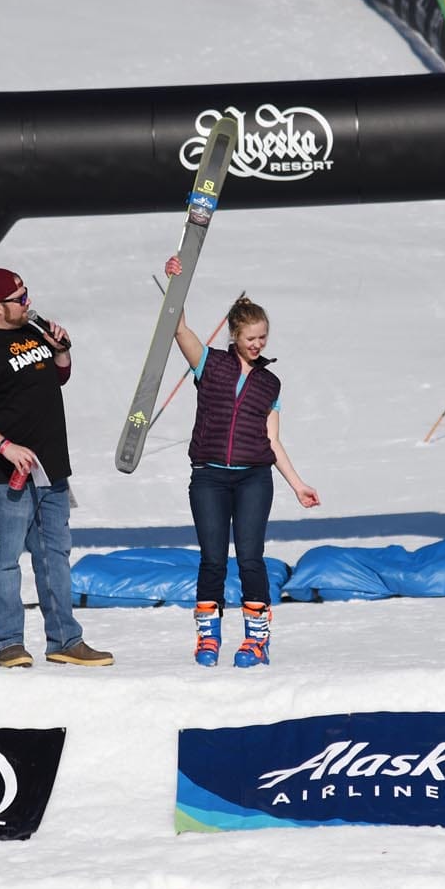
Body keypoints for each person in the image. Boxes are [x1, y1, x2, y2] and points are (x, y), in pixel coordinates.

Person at [0, 267, 112, 669]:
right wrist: (5, 447)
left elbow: (58, 378)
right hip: (6, 476)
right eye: (20, 298)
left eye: (26, 294)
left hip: (51, 467)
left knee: (54, 555)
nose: (28, 302)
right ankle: (9, 643)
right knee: (6, 559)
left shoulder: (31, 331)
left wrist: (61, 351)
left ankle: (65, 640)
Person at [165, 255, 320, 668]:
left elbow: (273, 440)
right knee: (212, 559)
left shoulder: (271, 382)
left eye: (263, 338)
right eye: (251, 338)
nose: (258, 344)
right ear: (234, 334)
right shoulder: (209, 364)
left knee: (251, 558)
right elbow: (177, 327)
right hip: (209, 478)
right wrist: (175, 283)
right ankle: (208, 638)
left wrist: (298, 484)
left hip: (254, 477)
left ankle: (256, 641)